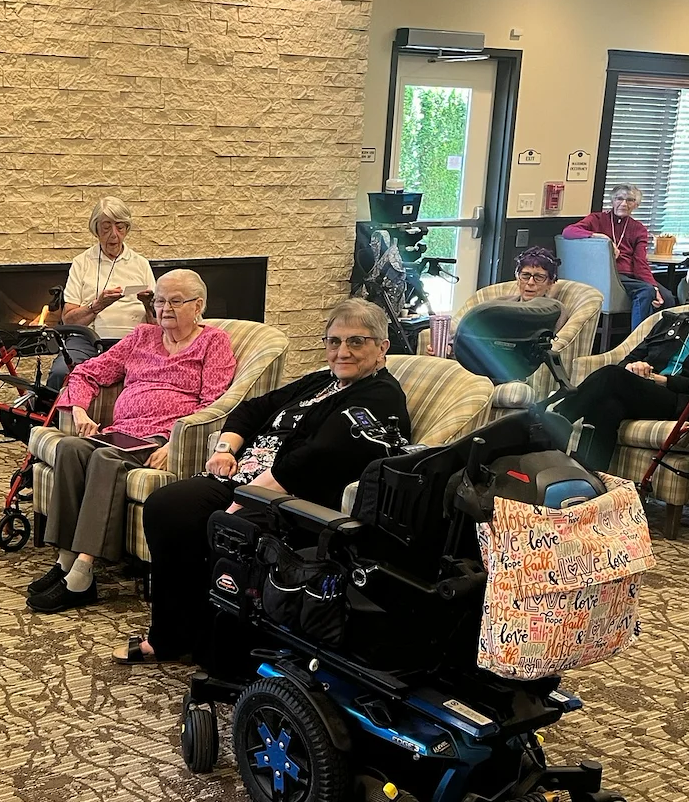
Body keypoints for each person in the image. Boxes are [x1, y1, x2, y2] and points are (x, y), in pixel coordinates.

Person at [125, 299, 410, 663]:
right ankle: (171, 634)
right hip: (242, 477)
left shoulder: (380, 394)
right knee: (167, 506)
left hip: (291, 499)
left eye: (356, 341)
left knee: (229, 527)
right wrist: (226, 449)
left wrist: (248, 497)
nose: (342, 352)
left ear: (382, 347)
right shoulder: (321, 381)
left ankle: (222, 654)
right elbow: (252, 408)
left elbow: (320, 455)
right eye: (334, 341)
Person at [27, 269, 236, 613]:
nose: (165, 308)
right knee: (70, 447)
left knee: (105, 459)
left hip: (160, 437)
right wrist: (79, 410)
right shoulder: (142, 336)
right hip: (121, 432)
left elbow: (213, 404)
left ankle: (82, 575)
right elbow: (88, 371)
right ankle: (65, 560)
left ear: (198, 305)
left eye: (176, 301)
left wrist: (174, 443)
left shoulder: (213, 342)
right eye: (160, 301)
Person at [553, 255, 689, 472]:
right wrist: (634, 367)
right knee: (607, 407)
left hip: (683, 403)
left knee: (611, 375)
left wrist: (663, 380)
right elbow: (629, 359)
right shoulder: (674, 321)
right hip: (645, 393)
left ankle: (554, 422)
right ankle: (589, 477)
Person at [562, 184, 675, 327]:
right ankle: (637, 339)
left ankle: (659, 339)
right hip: (606, 275)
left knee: (668, 298)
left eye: (630, 200)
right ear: (612, 201)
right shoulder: (596, 219)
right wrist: (599, 236)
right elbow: (568, 231)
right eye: (619, 199)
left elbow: (640, 262)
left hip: (630, 276)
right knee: (645, 291)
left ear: (636, 205)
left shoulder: (639, 228)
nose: (624, 204)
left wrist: (655, 287)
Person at [427, 246, 569, 356]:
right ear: (517, 278)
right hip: (482, 358)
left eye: (539, 277)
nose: (530, 282)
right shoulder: (500, 303)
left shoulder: (554, 310)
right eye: (525, 275)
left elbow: (552, 342)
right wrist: (449, 345)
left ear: (551, 282)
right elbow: (468, 327)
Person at [60, 196, 157, 340]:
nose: (114, 234)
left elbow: (158, 323)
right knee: (68, 356)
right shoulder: (81, 262)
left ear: (127, 229)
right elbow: (68, 321)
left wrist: (148, 305)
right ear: (96, 230)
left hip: (134, 341)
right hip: (89, 341)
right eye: (106, 228)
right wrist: (97, 305)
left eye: (120, 227)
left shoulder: (141, 264)